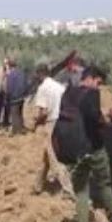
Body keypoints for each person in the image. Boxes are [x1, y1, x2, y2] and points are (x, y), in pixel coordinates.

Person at [58, 67, 112, 222]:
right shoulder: (91, 94)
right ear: (90, 78)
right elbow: (94, 120)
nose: (98, 86)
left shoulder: (68, 92)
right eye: (98, 82)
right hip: (93, 148)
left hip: (73, 150)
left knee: (81, 192)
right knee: (104, 184)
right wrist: (107, 127)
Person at [31, 63, 69, 196]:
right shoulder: (59, 86)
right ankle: (37, 185)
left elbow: (44, 111)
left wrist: (36, 121)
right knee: (46, 156)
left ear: (40, 74)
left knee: (52, 156)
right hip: (62, 121)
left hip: (51, 123)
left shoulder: (43, 88)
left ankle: (68, 188)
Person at [4, 59, 29, 135]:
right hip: (22, 96)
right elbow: (26, 84)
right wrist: (25, 94)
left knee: (14, 114)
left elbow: (9, 87)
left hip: (14, 97)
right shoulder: (22, 73)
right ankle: (21, 129)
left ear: (9, 66)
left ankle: (15, 131)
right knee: (20, 113)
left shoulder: (10, 74)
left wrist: (7, 97)